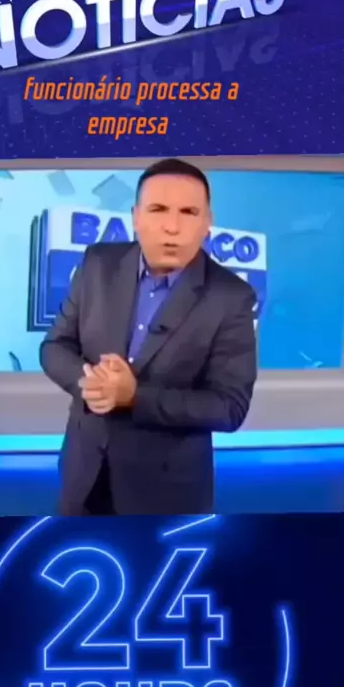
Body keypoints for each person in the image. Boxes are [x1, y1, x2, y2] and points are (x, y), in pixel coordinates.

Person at [40, 158, 257, 516]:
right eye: (158, 209)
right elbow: (55, 346)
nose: (172, 226)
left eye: (188, 212)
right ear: (136, 216)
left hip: (165, 492)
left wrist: (134, 397)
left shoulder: (231, 297)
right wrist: (89, 382)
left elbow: (229, 408)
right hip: (82, 473)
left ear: (208, 222)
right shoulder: (98, 263)